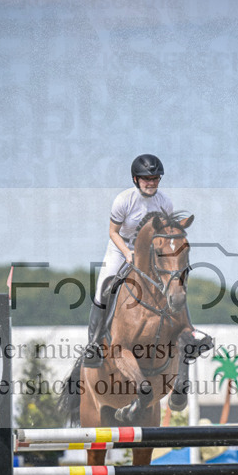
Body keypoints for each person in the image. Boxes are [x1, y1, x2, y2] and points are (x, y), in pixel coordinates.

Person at [83, 154, 173, 367]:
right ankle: (94, 344)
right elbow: (113, 232)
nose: (151, 183)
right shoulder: (124, 200)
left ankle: (184, 332)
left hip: (151, 254)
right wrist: (127, 252)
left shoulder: (165, 203)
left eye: (155, 179)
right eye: (146, 179)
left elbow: (167, 234)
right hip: (120, 249)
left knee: (174, 284)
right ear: (135, 179)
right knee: (104, 286)